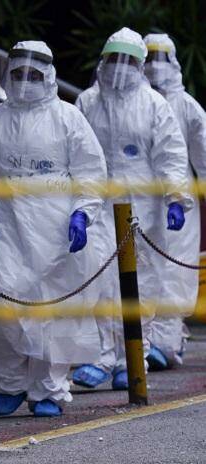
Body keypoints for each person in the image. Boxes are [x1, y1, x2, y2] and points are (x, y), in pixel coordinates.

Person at [0, 41, 107, 418]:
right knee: (4, 305)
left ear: (48, 76)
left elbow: (91, 172)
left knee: (55, 311)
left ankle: (48, 389)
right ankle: (11, 383)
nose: (25, 81)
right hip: (7, 225)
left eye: (33, 75)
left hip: (57, 231)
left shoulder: (68, 118)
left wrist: (83, 213)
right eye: (18, 73)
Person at [72, 28, 192, 390]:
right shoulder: (87, 102)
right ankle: (102, 356)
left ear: (140, 66)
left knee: (144, 283)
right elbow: (75, 153)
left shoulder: (154, 105)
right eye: (114, 59)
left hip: (144, 210)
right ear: (103, 61)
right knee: (100, 280)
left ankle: (132, 357)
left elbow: (171, 154)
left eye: (127, 61)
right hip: (99, 206)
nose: (119, 67)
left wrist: (176, 198)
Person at [142, 33, 206, 369]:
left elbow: (203, 154)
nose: (154, 65)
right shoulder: (134, 103)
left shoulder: (187, 107)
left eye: (161, 57)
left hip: (179, 203)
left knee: (174, 271)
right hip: (139, 200)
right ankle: (140, 343)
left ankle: (165, 343)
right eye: (149, 56)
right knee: (143, 269)